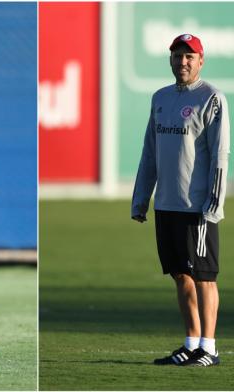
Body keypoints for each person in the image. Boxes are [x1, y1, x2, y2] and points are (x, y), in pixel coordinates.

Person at [132, 33, 230, 367]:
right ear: (170, 60)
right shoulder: (159, 98)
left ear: (201, 61)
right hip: (167, 205)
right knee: (180, 275)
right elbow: (150, 153)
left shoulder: (212, 98)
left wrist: (214, 203)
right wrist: (141, 199)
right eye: (177, 55)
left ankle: (210, 347)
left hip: (198, 208)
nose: (183, 61)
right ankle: (191, 343)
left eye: (190, 56)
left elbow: (220, 156)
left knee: (205, 276)